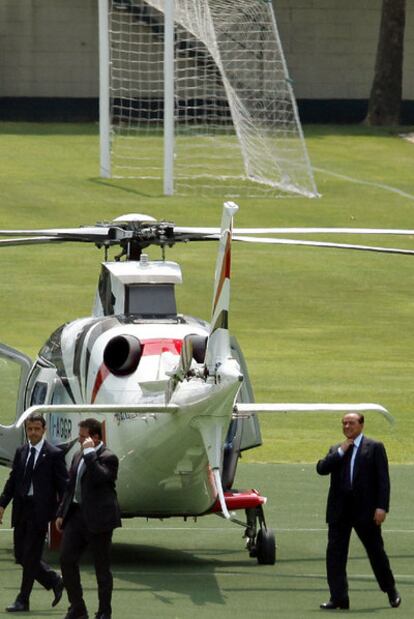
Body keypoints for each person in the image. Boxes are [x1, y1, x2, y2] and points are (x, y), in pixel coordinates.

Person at [316, 412, 401, 610]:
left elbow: (383, 480)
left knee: (376, 553)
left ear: (361, 425)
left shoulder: (375, 447)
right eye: (344, 423)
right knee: (335, 556)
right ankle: (339, 597)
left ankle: (391, 590)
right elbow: (321, 468)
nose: (347, 427)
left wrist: (382, 507)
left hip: (366, 511)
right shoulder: (336, 448)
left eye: (351, 423)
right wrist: (339, 452)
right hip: (339, 512)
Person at [0, 413, 68, 613]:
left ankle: (23, 599)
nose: (33, 433)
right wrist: (2, 503)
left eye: (37, 429)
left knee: (30, 555)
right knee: (21, 555)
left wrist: (61, 513)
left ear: (44, 430)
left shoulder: (54, 454)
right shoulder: (21, 452)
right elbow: (13, 481)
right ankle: (54, 580)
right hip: (21, 510)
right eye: (30, 429)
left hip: (40, 513)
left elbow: (63, 486)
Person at [56, 418, 121, 619]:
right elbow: (70, 486)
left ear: (95, 437)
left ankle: (104, 612)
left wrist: (91, 454)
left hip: (99, 519)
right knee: (66, 560)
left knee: (101, 569)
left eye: (83, 437)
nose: (79, 441)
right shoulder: (77, 455)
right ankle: (77, 607)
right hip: (76, 516)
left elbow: (102, 477)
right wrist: (61, 513)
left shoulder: (108, 457)